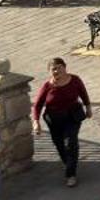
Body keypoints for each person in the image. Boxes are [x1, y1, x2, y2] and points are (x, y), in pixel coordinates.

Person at [32, 56, 92, 186]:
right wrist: (36, 121)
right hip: (54, 119)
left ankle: (71, 175)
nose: (56, 71)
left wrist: (88, 108)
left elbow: (83, 93)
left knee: (71, 142)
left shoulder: (75, 80)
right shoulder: (47, 86)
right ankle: (68, 163)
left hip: (73, 116)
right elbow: (37, 105)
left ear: (65, 67)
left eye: (59, 68)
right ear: (49, 71)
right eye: (53, 69)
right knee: (59, 143)